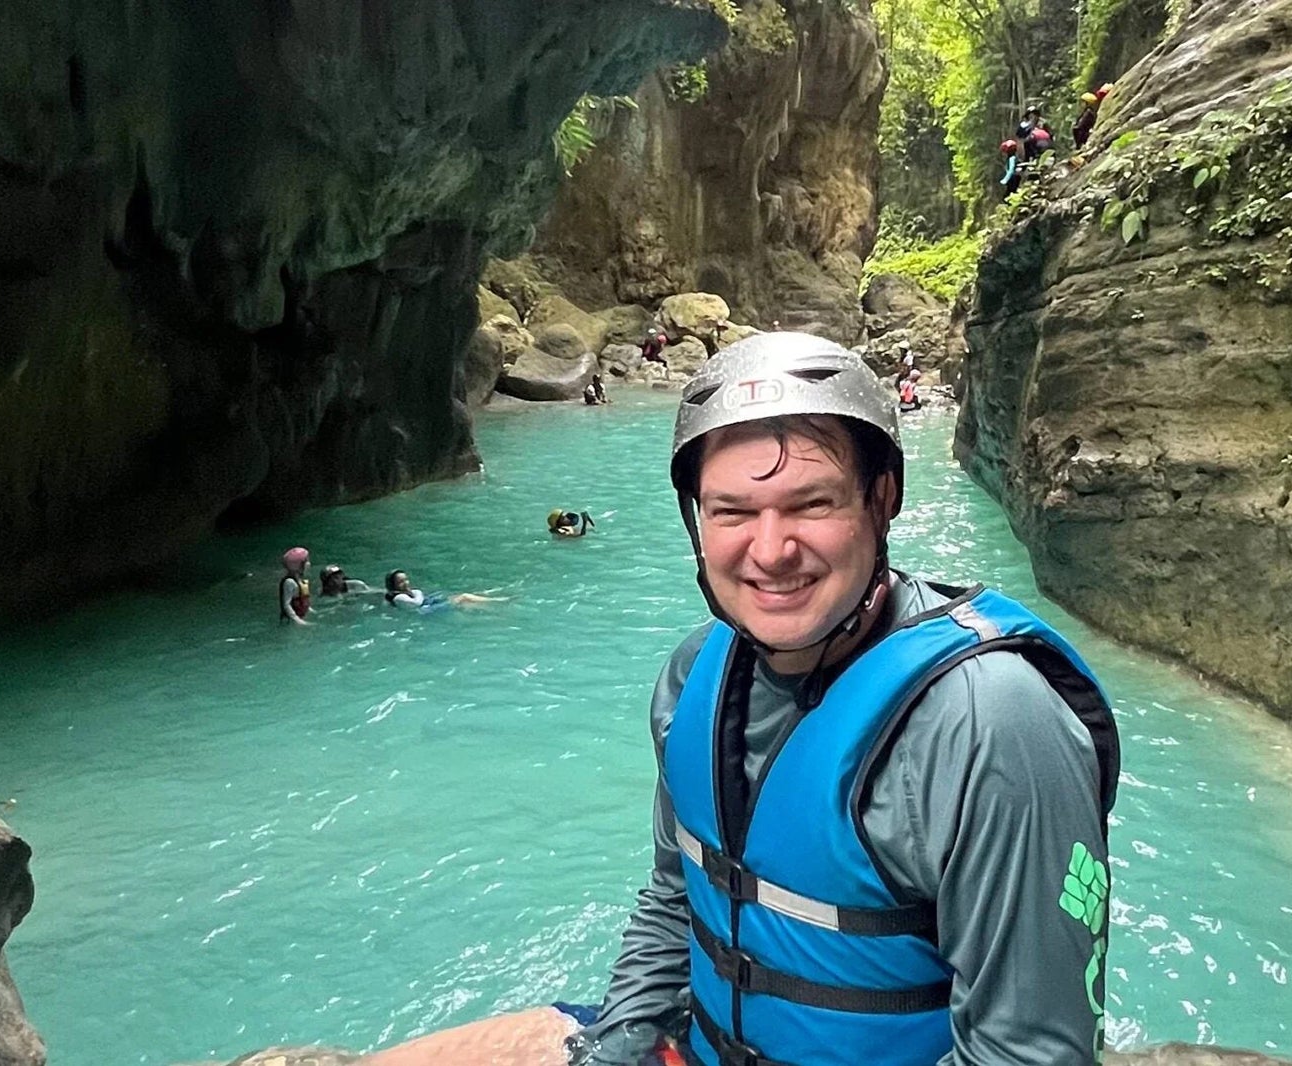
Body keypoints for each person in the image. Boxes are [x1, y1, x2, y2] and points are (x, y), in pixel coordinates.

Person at [568, 333, 1120, 1066]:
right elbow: (678, 899)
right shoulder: (694, 675)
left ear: (881, 500)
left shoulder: (991, 727)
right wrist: (617, 1047)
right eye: (732, 512)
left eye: (811, 503)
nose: (770, 550)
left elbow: (1026, 1053)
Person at [383, 570, 506, 610]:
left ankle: (491, 605)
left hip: (428, 606)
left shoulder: (401, 594)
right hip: (426, 611)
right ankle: (497, 601)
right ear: (394, 585)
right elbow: (417, 603)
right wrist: (417, 592)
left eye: (406, 579)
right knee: (464, 597)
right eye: (401, 582)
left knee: (464, 602)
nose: (406, 583)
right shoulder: (399, 597)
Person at [279, 546, 311, 625]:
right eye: (306, 561)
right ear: (299, 565)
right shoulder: (289, 582)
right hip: (290, 621)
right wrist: (298, 621)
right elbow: (286, 605)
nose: (309, 564)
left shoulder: (299, 581)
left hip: (300, 617)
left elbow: (303, 601)